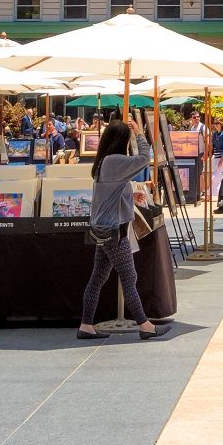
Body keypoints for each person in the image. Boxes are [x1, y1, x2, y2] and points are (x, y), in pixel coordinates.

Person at [76, 120, 164, 340]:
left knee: (98, 278)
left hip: (103, 229)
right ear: (122, 140)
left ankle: (86, 325)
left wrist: (130, 196)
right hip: (114, 231)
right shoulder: (115, 161)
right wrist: (140, 134)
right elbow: (144, 159)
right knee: (128, 277)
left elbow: (109, 194)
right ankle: (145, 325)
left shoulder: (104, 162)